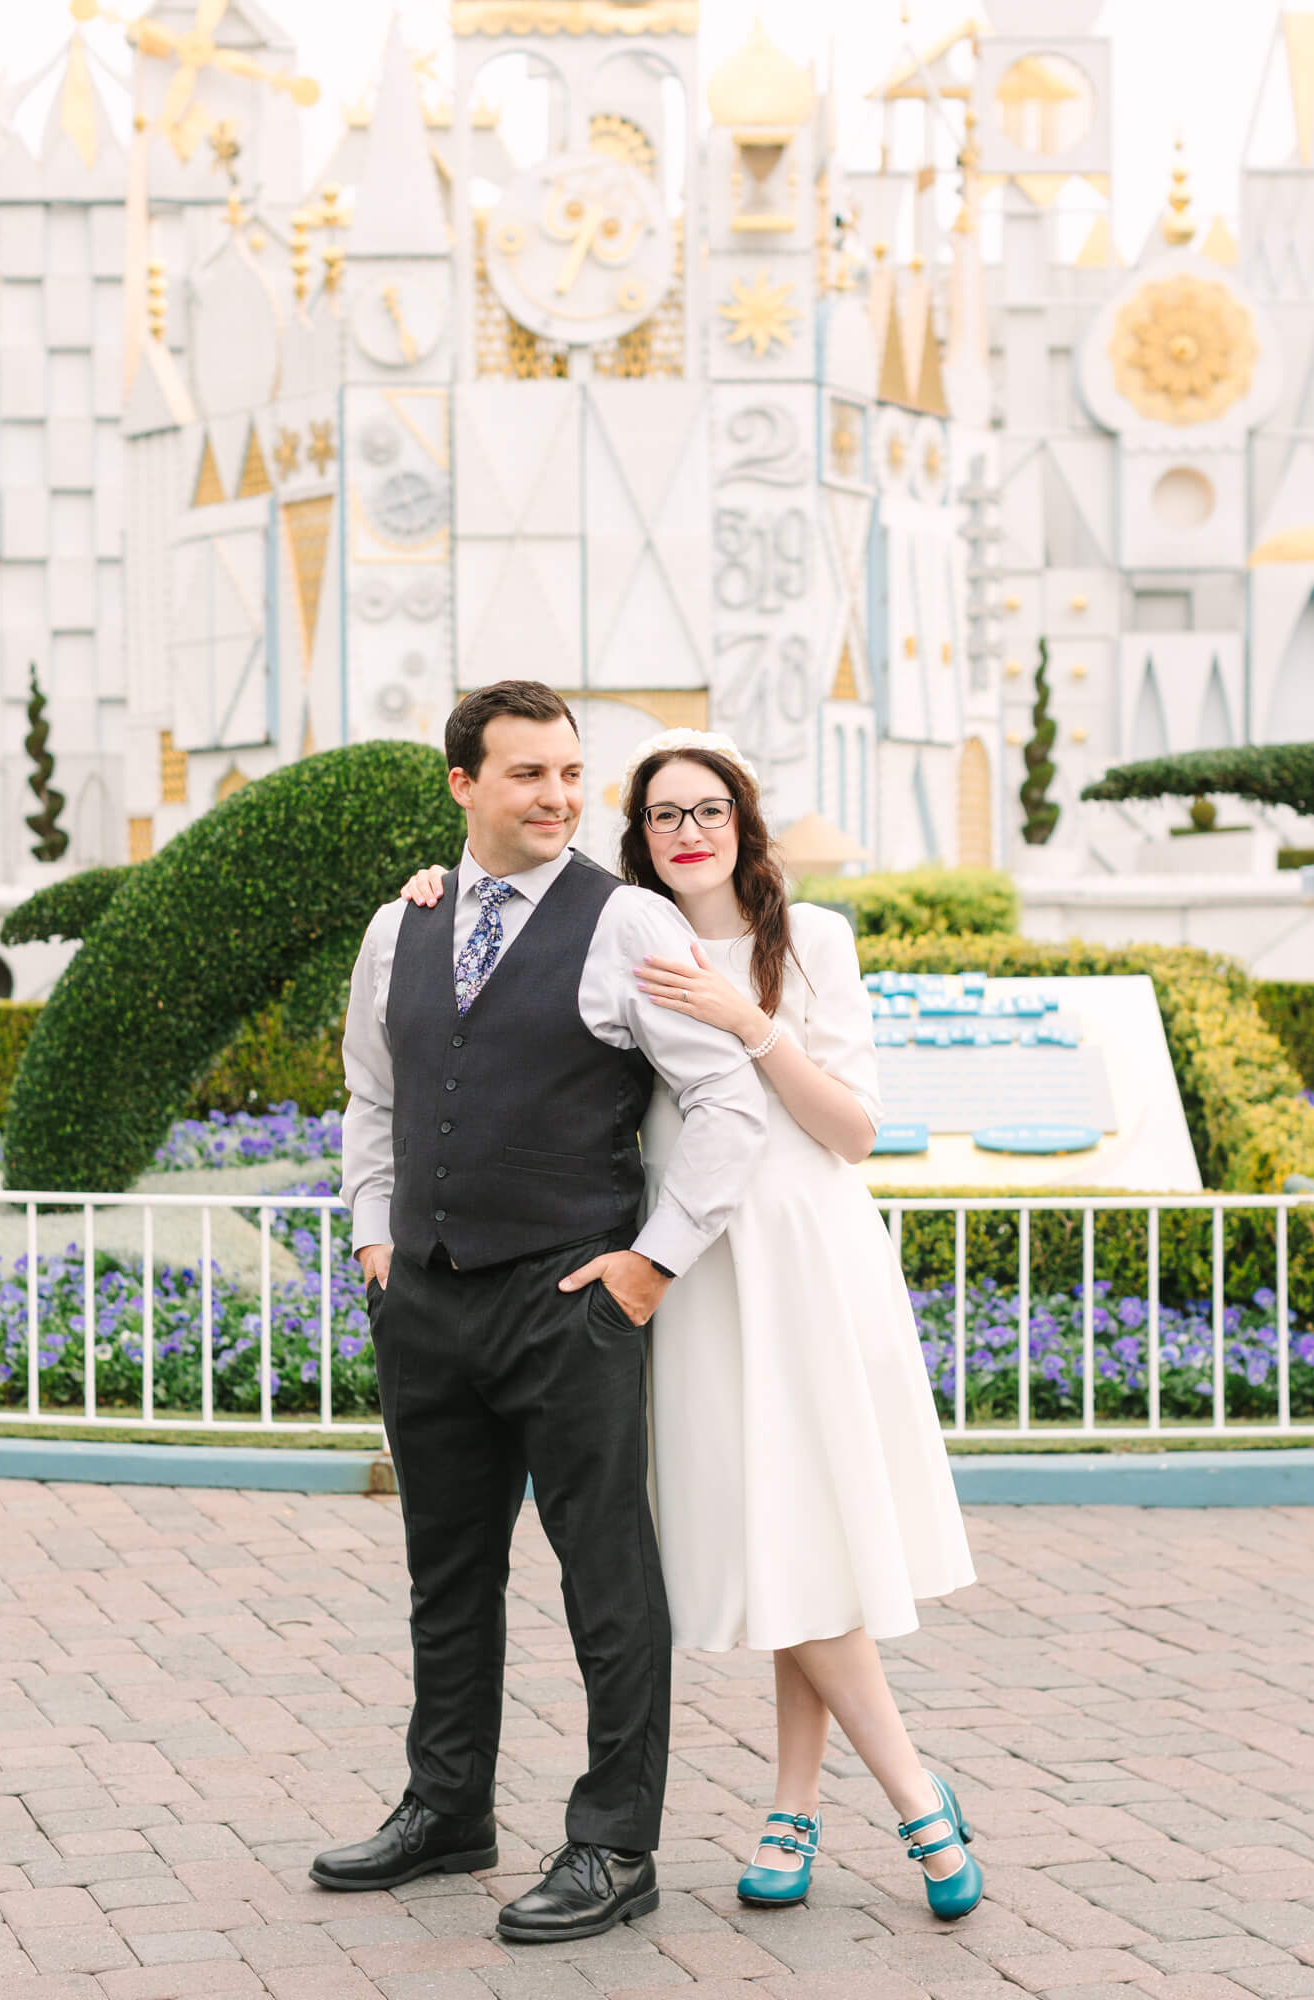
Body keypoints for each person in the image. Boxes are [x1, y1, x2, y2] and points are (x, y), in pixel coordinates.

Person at [398, 726, 983, 1921]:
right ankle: (795, 1805)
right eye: (663, 814)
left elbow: (852, 1130)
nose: (689, 831)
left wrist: (749, 1019)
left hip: (797, 1260)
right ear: (641, 836)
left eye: (709, 808)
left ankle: (906, 1798)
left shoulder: (810, 939)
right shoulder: (628, 930)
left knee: (804, 1530)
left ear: (743, 819)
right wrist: (439, 889)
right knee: (781, 1534)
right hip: (690, 1270)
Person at [311, 685, 767, 1945]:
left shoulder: (625, 920)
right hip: (425, 1296)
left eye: (572, 772)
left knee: (607, 1582)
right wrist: (373, 1233)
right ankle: (447, 1807)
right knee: (446, 1571)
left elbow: (729, 1099)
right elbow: (370, 1092)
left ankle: (616, 1842)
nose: (560, 795)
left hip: (568, 1301)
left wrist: (651, 1265)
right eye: (529, 773)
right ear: (464, 782)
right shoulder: (399, 924)